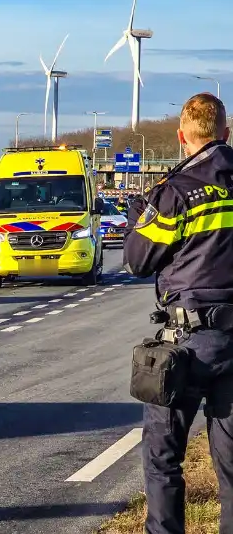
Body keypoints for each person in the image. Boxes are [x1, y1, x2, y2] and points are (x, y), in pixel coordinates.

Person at [124, 92, 233, 534]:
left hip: (186, 345)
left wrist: (139, 219)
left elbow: (137, 260)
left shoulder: (176, 194)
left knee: (163, 457)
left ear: (181, 137)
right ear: (225, 133)